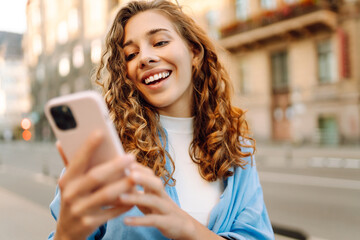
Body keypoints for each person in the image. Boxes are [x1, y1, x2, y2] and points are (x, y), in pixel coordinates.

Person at [48, 0, 275, 239]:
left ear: (194, 52)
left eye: (160, 42)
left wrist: (186, 227)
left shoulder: (236, 147)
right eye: (131, 54)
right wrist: (66, 233)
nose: (144, 58)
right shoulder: (107, 151)